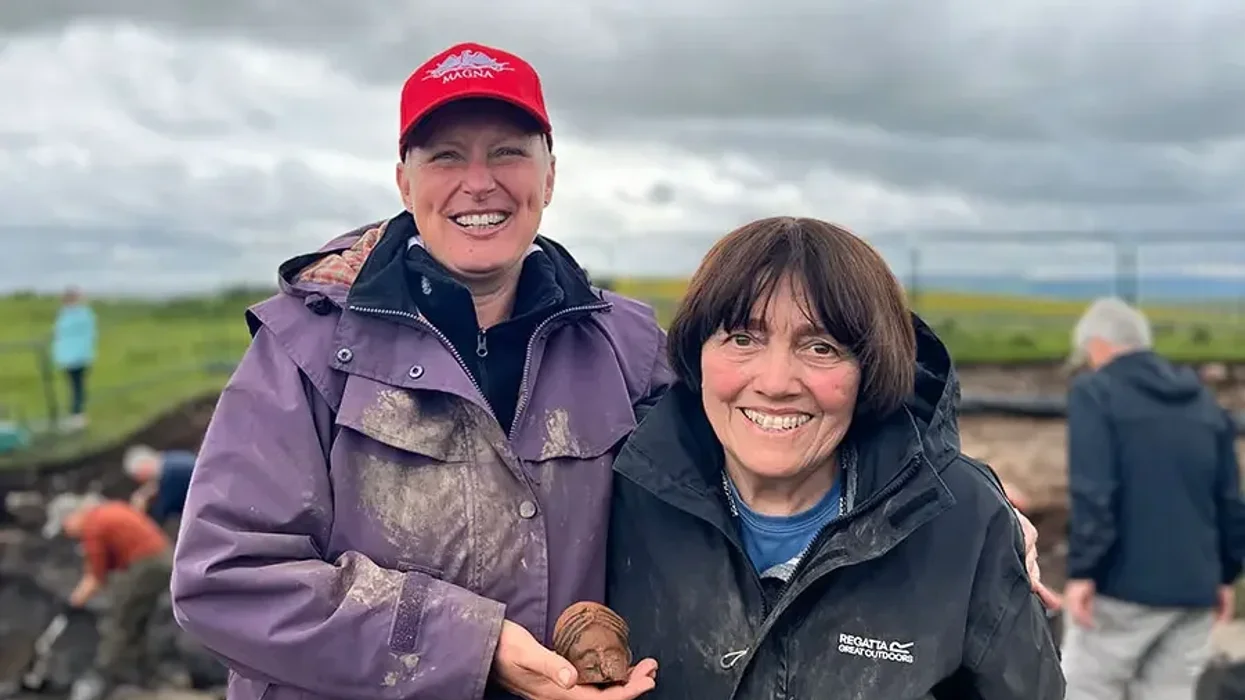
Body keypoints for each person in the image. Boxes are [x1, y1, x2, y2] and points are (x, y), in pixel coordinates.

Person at [170, 42, 1052, 700]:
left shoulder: (624, 343)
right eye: (446, 156)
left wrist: (959, 506)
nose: (480, 182)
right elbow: (223, 581)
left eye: (508, 152)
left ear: (549, 174)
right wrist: (472, 645)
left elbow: (771, 418)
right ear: (403, 179)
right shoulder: (305, 350)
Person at [605, 217, 1066, 699]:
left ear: (868, 370)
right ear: (697, 353)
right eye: (743, 339)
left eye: (820, 347)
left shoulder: (963, 521)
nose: (777, 382)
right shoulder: (619, 491)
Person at [1059, 296, 1245, 700]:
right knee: (1169, 693)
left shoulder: (1097, 393)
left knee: (1084, 689)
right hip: (1195, 588)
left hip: (1124, 587)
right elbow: (1230, 500)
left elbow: (1095, 492)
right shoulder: (1202, 401)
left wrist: (1083, 571)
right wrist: (1227, 575)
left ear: (1096, 346)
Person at [44, 493, 174, 700]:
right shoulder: (109, 509)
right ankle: (141, 675)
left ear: (71, 517)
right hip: (163, 557)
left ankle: (106, 679)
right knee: (135, 619)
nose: (67, 534)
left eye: (64, 527)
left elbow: (95, 578)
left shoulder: (93, 526)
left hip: (148, 564)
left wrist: (72, 603)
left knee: (119, 621)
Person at [51, 286, 98, 430]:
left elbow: (64, 334)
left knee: (77, 386)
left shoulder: (77, 315)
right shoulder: (77, 314)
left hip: (77, 356)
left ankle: (78, 415)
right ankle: (77, 414)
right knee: (75, 385)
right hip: (72, 356)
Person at [123, 444, 197, 532]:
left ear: (144, 466)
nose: (140, 482)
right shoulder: (171, 459)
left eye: (137, 476)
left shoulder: (169, 474)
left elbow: (162, 513)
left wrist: (140, 505)